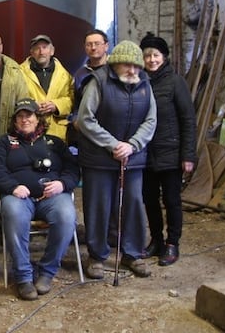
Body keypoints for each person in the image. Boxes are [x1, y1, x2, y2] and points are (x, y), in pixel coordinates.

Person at [75, 40, 156, 279]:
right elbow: (86, 119)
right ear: (115, 64)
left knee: (133, 205)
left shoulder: (144, 84)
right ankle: (97, 256)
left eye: (136, 66)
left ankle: (133, 253)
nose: (133, 71)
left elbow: (151, 121)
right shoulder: (98, 81)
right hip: (99, 158)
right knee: (99, 207)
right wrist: (113, 144)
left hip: (132, 157)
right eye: (127, 66)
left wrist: (132, 145)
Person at [0, 98, 80, 300]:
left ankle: (47, 272)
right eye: (20, 116)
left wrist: (62, 184)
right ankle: (23, 277)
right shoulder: (4, 143)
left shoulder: (55, 143)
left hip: (52, 197)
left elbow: (72, 169)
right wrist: (12, 187)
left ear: (38, 119)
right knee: (12, 212)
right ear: (14, 121)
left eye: (29, 115)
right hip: (19, 197)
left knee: (66, 216)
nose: (24, 119)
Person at [140, 33, 197, 266]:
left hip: (171, 153)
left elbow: (188, 119)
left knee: (172, 200)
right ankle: (157, 241)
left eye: (155, 55)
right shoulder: (140, 82)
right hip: (146, 153)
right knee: (149, 199)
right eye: (147, 56)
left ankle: (173, 243)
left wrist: (188, 155)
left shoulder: (175, 82)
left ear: (164, 57)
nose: (151, 60)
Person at [20, 34, 74, 140]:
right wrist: (31, 106)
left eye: (45, 48)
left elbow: (72, 100)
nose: (41, 52)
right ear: (31, 52)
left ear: (52, 51)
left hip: (57, 134)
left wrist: (56, 105)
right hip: (29, 132)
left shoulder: (65, 75)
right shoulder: (20, 73)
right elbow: (15, 98)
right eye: (37, 48)